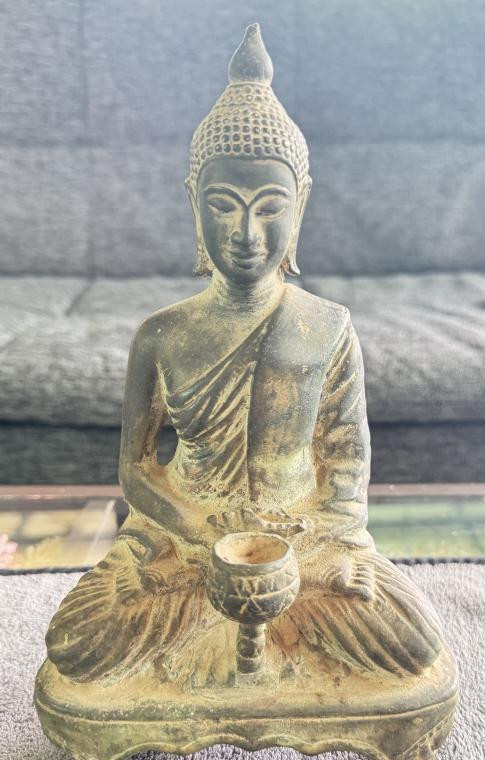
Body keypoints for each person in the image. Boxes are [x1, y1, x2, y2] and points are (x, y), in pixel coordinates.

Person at [45, 24, 443, 688]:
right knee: (76, 641)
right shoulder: (161, 335)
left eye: (269, 207)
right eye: (223, 205)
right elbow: (137, 469)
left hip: (302, 543)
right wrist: (198, 533)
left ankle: (247, 637)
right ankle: (233, 635)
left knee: (411, 641)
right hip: (186, 544)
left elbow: (346, 461)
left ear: (301, 205)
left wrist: (327, 546)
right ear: (193, 204)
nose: (245, 232)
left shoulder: (327, 327)